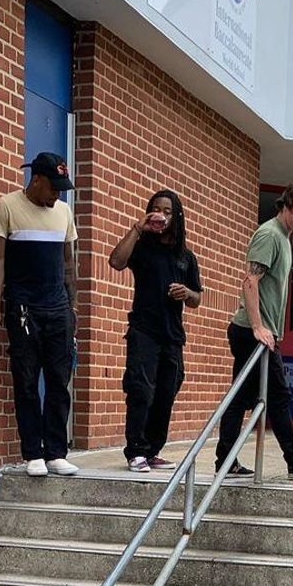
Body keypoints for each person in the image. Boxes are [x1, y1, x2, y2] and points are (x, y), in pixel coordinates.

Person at [214, 180, 293, 480]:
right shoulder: (269, 234)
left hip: (262, 333)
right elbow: (250, 282)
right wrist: (258, 327)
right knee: (278, 396)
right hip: (252, 333)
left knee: (240, 398)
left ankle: (226, 460)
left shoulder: (285, 236)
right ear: (287, 206)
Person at [0, 152, 79, 478]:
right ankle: (33, 452)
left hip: (58, 308)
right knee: (26, 381)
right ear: (36, 180)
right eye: (53, 188)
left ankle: (56, 452)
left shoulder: (64, 212)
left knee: (58, 381)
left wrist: (72, 305)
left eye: (61, 189)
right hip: (23, 306)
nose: (57, 195)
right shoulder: (7, 206)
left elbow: (68, 262)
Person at [108, 190, 203, 472]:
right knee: (141, 390)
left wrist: (186, 292)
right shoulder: (142, 247)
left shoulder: (186, 257)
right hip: (143, 330)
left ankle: (151, 450)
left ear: (177, 217)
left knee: (165, 392)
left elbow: (197, 299)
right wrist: (138, 227)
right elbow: (116, 261)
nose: (161, 215)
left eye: (168, 211)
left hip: (172, 335)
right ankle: (135, 451)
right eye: (156, 209)